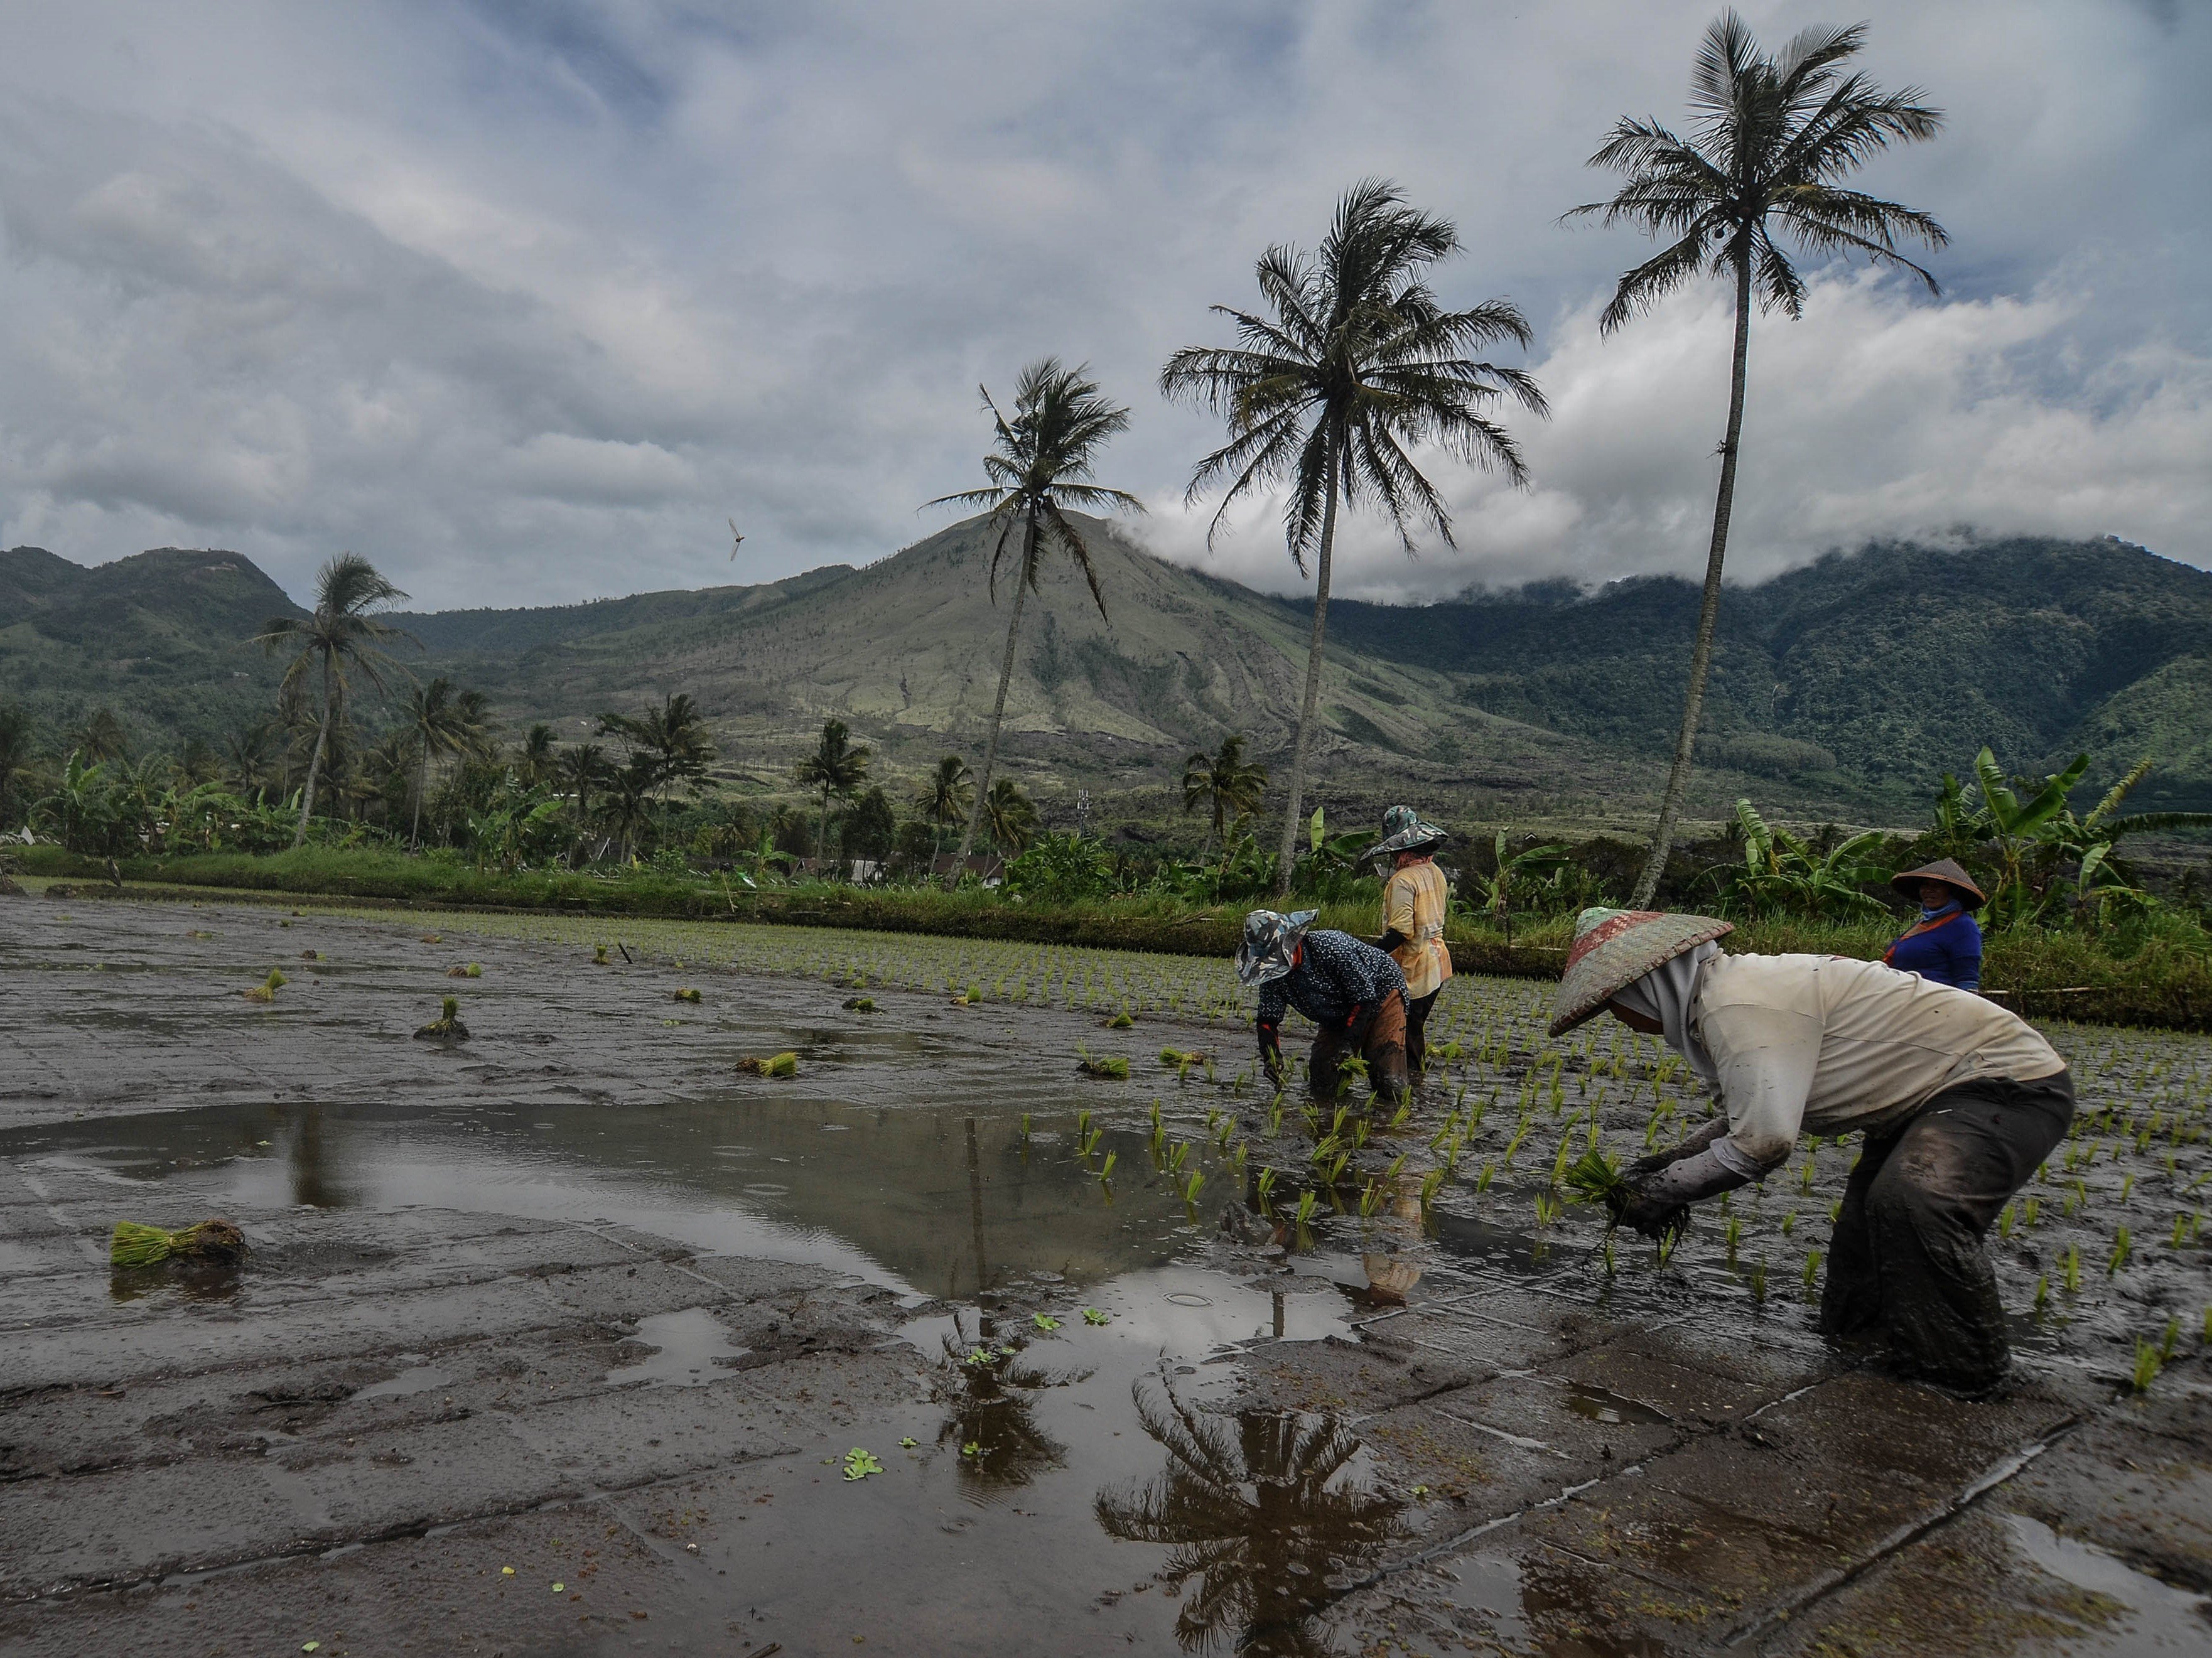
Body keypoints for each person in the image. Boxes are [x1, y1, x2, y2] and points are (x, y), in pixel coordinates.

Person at [1550, 906, 2072, 1392]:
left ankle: (1966, 1374)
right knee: (1862, 1235)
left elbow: (1762, 1142)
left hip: (2002, 1083)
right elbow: (1751, 1112)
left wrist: (1660, 1191)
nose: (1614, 1017)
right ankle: (1868, 1351)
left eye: (1611, 1003)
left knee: (1913, 1202)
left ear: (1646, 987)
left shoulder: (1737, 1003)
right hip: (1919, 1104)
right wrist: (1665, 1162)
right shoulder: (1726, 994)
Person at [1238, 909, 1410, 1106]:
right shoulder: (1273, 978)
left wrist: (1348, 1043)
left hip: (1381, 990)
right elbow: (1268, 1020)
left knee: (1386, 1077)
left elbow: (1364, 1000)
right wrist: (1271, 1057)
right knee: (1324, 1074)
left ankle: (1392, 1127)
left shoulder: (1332, 948)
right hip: (1336, 1011)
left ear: (1291, 943)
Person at [1368, 805, 1454, 1075]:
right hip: (1437, 963)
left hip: (1414, 967)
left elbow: (1401, 932)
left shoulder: (1403, 880)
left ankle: (1408, 1080)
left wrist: (1367, 954)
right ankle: (1413, 1079)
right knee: (1414, 1027)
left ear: (1401, 851)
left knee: (1405, 1028)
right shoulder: (1436, 872)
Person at [1882, 858, 1985, 991]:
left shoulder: (1963, 926)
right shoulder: (1922, 924)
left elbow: (1967, 978)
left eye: (1937, 886)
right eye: (1925, 885)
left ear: (1952, 891)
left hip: (1935, 1002)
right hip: (1904, 997)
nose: (1929, 890)